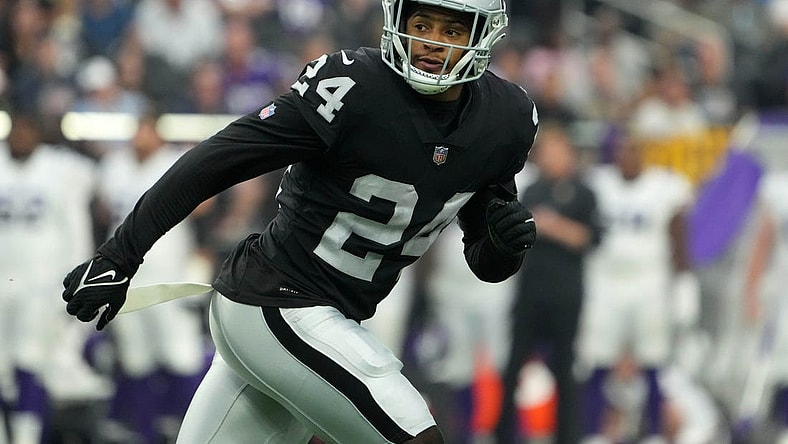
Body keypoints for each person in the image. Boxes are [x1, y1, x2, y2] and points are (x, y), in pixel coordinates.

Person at [60, 1, 539, 443]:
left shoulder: (505, 119)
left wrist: (505, 244)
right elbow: (221, 158)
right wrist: (120, 254)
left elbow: (487, 262)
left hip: (315, 321)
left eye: (452, 30)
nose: (432, 41)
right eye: (421, 24)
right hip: (278, 303)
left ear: (483, 35)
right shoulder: (354, 87)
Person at [93, 110, 210, 443]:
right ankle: (146, 433)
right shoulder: (114, 166)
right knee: (136, 359)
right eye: (138, 129)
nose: (141, 137)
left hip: (169, 278)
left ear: (158, 132)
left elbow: (205, 207)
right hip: (126, 280)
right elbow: (103, 212)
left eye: (147, 129)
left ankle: (195, 433)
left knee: (181, 355)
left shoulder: (175, 161)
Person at [577, 129, 697, 444]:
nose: (627, 156)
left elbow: (678, 235)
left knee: (653, 360)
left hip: (650, 283)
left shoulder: (665, 186)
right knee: (596, 359)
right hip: (604, 282)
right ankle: (594, 433)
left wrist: (685, 282)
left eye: (633, 149)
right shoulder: (597, 183)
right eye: (622, 149)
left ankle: (654, 433)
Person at [495, 121, 602, 444]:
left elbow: (591, 238)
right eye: (547, 152)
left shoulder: (584, 193)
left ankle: (566, 436)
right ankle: (503, 435)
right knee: (513, 366)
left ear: (570, 155)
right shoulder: (531, 190)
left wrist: (552, 226)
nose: (552, 158)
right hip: (530, 291)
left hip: (566, 294)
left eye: (558, 151)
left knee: (565, 369)